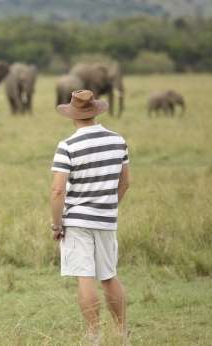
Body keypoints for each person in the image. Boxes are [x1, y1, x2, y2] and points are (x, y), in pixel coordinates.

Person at [50, 90, 130, 344]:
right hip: (106, 219)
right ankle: (121, 332)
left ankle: (93, 335)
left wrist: (57, 223)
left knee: (85, 276)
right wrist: (106, 206)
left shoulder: (68, 146)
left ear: (73, 115)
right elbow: (125, 183)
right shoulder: (118, 141)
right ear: (95, 111)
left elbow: (58, 190)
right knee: (108, 275)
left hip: (77, 221)